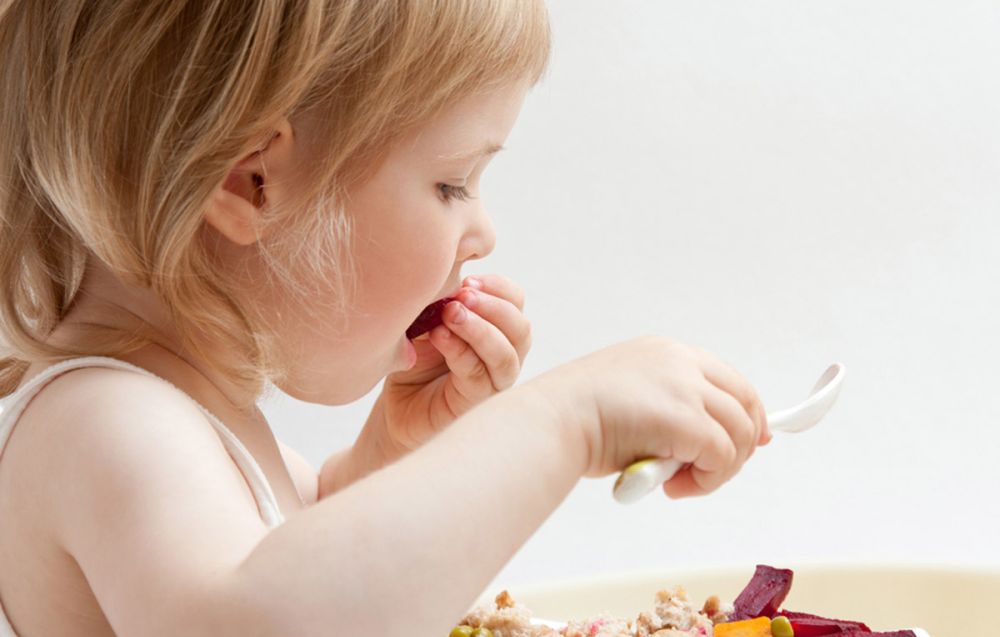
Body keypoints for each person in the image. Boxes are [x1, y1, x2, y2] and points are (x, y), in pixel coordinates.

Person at [0, 1, 770, 634]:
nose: (482, 232)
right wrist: (567, 421)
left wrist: (389, 454)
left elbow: (319, 568)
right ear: (252, 181)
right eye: (451, 183)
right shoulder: (104, 423)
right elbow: (262, 619)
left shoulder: (190, 426)